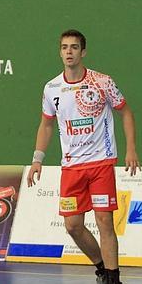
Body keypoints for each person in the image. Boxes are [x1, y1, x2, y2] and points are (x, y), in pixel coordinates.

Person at [27, 29, 140, 284]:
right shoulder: (52, 88)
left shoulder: (102, 82)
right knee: (72, 226)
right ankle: (102, 267)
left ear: (83, 52)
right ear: (60, 52)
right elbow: (46, 125)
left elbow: (126, 113)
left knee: (104, 221)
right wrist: (37, 159)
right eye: (64, 47)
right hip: (71, 168)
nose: (69, 51)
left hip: (101, 163)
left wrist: (131, 148)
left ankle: (113, 278)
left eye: (74, 47)